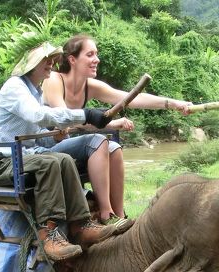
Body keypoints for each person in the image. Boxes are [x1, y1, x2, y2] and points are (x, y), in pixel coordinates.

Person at [0, 41, 127, 262]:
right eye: (45, 59)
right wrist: (84, 115)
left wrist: (54, 136)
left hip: (20, 156)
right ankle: (50, 234)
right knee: (49, 163)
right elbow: (39, 116)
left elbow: (37, 132)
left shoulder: (34, 92)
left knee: (64, 159)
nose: (51, 63)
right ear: (30, 63)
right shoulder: (14, 87)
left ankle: (81, 224)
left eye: (51, 59)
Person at [42, 34, 193, 225]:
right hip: (47, 146)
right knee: (98, 140)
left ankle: (120, 215)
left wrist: (175, 104)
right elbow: (64, 119)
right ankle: (107, 214)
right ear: (72, 59)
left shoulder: (90, 86)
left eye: (96, 54)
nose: (96, 59)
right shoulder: (54, 79)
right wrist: (111, 123)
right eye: (90, 54)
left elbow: (130, 98)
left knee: (113, 148)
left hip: (70, 146)